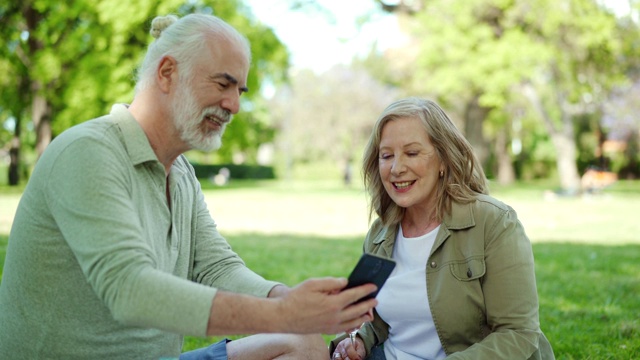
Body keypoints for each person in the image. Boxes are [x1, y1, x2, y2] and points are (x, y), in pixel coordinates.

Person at [0, 14, 378, 360]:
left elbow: (216, 266)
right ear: (166, 73)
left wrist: (287, 298)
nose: (234, 106)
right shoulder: (88, 152)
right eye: (223, 84)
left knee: (305, 344)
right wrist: (284, 314)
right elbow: (130, 291)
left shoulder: (179, 172)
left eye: (240, 91)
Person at [329, 98, 555, 359]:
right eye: (386, 156)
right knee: (302, 344)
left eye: (412, 153)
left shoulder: (494, 222)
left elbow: (518, 334)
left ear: (443, 160)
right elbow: (379, 320)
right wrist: (360, 341)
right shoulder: (380, 234)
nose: (396, 168)